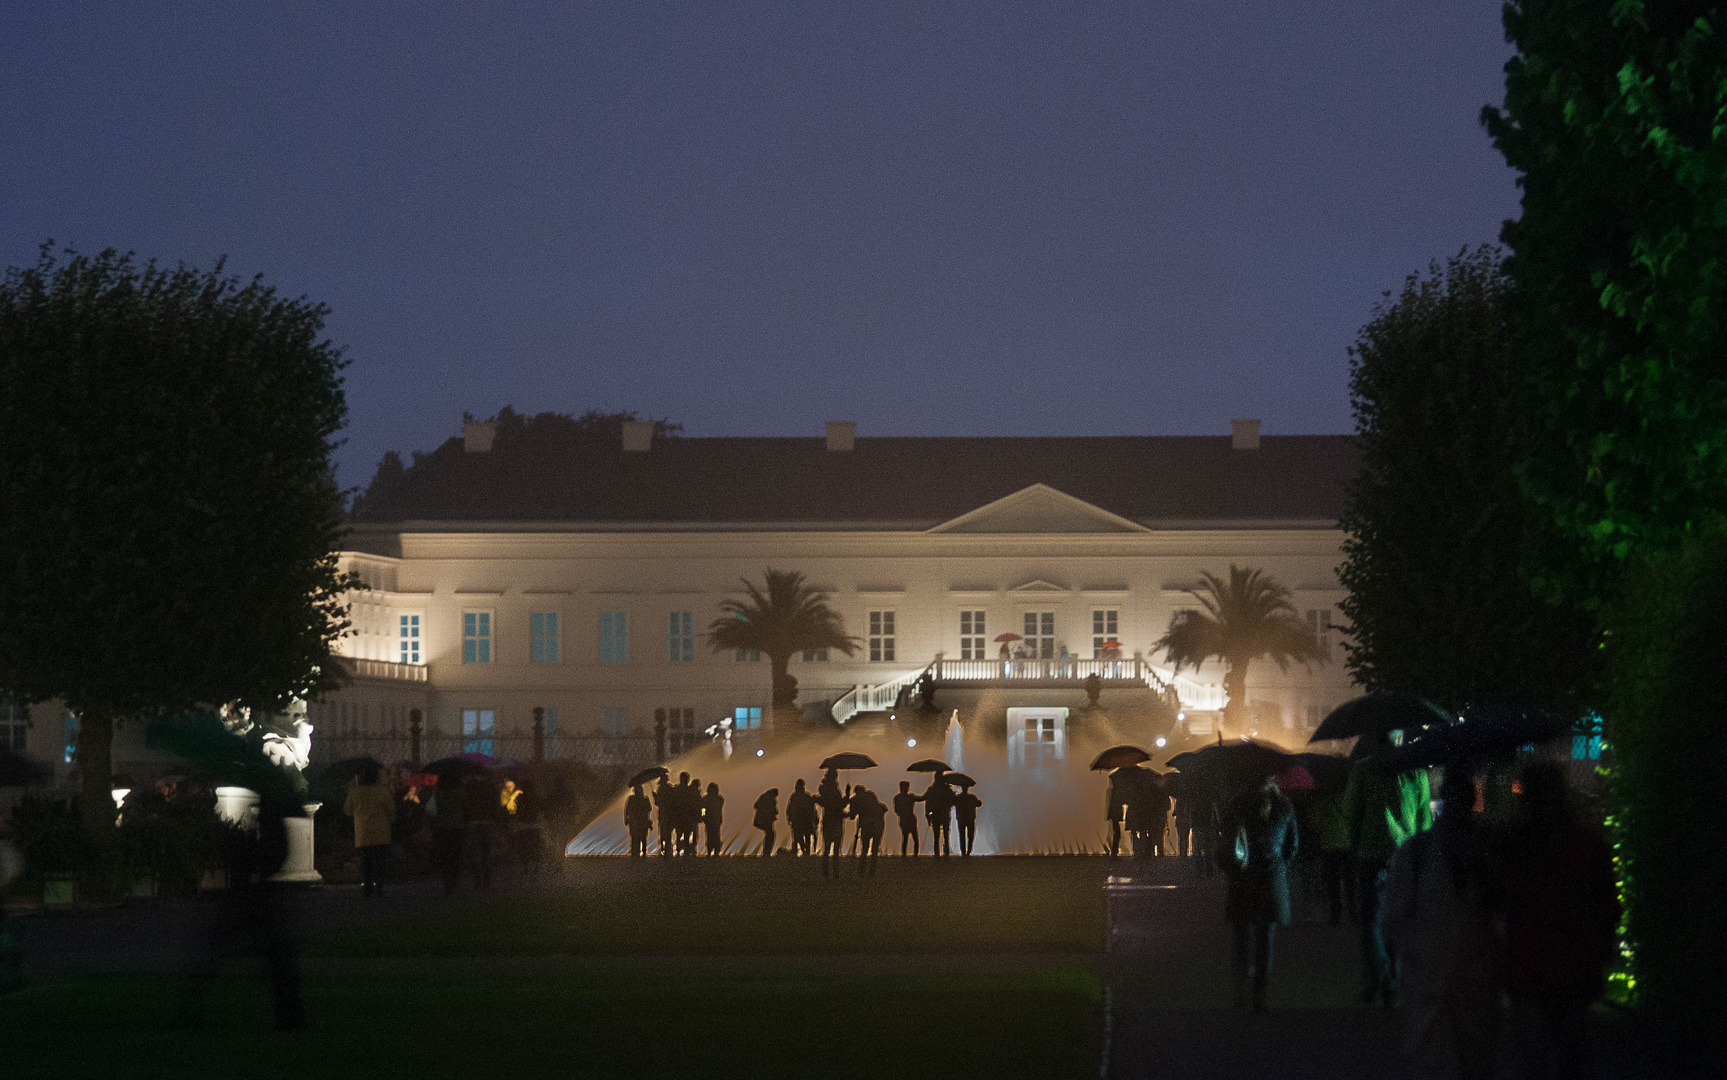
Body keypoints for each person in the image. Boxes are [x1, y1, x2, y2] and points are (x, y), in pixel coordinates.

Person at [1383, 770, 1501, 1080]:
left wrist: (1411, 955)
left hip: (1436, 972)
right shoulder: (1484, 851)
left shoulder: (1418, 852)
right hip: (1459, 973)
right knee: (1466, 1054)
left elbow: (1395, 915)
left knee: (1438, 1055)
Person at [1502, 762, 1617, 1080]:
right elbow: (1607, 905)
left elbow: (1504, 903)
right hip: (1573, 967)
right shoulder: (1587, 845)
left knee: (1535, 1059)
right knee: (1570, 1057)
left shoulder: (1517, 847)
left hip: (1532, 968)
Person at [1343, 731, 1434, 1004]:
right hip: (1404, 854)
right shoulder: (1415, 771)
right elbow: (1424, 819)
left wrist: (1356, 844)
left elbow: (1352, 813)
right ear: (1399, 738)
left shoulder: (1362, 770)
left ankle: (1378, 977)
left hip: (1370, 853)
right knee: (1399, 917)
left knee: (1370, 919)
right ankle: (1395, 975)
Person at [1223, 774, 1300, 1012]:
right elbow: (1292, 846)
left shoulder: (1236, 804)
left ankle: (1240, 993)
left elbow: (1227, 841)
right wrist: (1277, 864)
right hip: (1271, 878)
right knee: (1265, 937)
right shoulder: (1284, 806)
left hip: (1243, 878)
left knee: (1241, 938)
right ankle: (1260, 995)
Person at [343, 763, 396, 898]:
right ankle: (379, 887)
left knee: (366, 860)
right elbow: (391, 810)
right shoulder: (382, 791)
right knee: (379, 860)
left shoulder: (355, 792)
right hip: (381, 831)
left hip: (363, 832)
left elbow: (347, 811)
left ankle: (367, 887)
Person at [425, 775, 467, 893]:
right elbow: (465, 807)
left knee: (445, 853)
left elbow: (435, 808)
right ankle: (454, 879)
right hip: (457, 825)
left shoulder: (438, 794)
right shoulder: (459, 793)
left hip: (442, 825)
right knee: (456, 853)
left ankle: (447, 880)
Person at [1124, 768, 1169, 857]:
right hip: (1150, 815)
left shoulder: (1135, 790)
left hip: (1139, 815)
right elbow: (1166, 805)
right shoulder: (1156, 792)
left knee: (1139, 832)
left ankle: (1139, 851)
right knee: (1153, 832)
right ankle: (1152, 850)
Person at [816, 768, 849, 876]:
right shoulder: (832, 790)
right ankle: (834, 872)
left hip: (829, 820)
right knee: (834, 848)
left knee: (828, 847)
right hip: (835, 820)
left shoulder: (824, 788)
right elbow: (839, 805)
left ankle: (827, 872)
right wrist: (847, 796)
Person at [849, 785, 888, 876]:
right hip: (878, 823)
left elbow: (852, 816)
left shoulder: (855, 800)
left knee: (864, 848)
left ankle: (861, 871)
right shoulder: (871, 795)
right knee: (874, 849)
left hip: (866, 825)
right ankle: (871, 872)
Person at [922, 773, 954, 857]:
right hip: (944, 813)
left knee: (936, 835)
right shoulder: (947, 789)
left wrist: (927, 815)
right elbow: (952, 801)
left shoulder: (932, 789)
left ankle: (937, 853)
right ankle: (946, 852)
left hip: (936, 814)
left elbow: (927, 802)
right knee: (945, 834)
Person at [786, 778, 818, 856]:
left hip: (804, 820)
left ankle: (805, 852)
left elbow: (812, 810)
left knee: (803, 838)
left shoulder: (797, 797)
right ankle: (804, 851)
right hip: (800, 821)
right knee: (800, 838)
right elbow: (790, 809)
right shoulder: (799, 797)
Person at [952, 779, 982, 857]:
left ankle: (964, 852)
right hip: (970, 818)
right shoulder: (972, 797)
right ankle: (968, 852)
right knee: (970, 835)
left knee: (962, 835)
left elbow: (952, 803)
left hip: (962, 818)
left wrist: (953, 796)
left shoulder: (958, 797)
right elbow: (978, 804)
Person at [892, 780, 923, 856]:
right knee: (914, 838)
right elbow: (921, 798)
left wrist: (902, 815)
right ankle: (915, 854)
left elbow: (896, 810)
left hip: (904, 819)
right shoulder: (910, 797)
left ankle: (905, 855)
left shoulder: (897, 798)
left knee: (906, 837)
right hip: (910, 818)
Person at [624, 783, 653, 857]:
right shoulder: (645, 799)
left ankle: (637, 852)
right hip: (641, 820)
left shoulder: (631, 799)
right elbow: (649, 809)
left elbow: (627, 809)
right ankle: (641, 852)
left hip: (636, 821)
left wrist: (626, 819)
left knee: (638, 837)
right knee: (641, 837)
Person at [1106, 769, 1128, 857]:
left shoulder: (1112, 790)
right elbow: (1121, 801)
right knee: (1117, 832)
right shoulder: (1117, 790)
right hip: (1116, 813)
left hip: (1113, 813)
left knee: (1115, 831)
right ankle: (1114, 850)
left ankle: (1114, 850)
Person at [751, 788, 779, 856]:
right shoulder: (770, 799)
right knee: (770, 835)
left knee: (769, 834)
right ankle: (767, 852)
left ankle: (766, 852)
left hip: (763, 820)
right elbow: (772, 810)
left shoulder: (764, 797)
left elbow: (755, 806)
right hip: (765, 821)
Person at [653, 776, 675, 857]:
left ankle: (664, 849)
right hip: (669, 814)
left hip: (664, 814)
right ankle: (667, 849)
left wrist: (655, 797)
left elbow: (658, 803)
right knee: (667, 833)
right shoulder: (670, 789)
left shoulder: (662, 790)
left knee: (663, 832)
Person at [701, 782, 725, 856]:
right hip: (716, 819)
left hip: (709, 819)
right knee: (716, 835)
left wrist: (703, 817)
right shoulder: (719, 798)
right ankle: (716, 851)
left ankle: (710, 851)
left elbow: (702, 808)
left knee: (709, 835)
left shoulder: (706, 798)